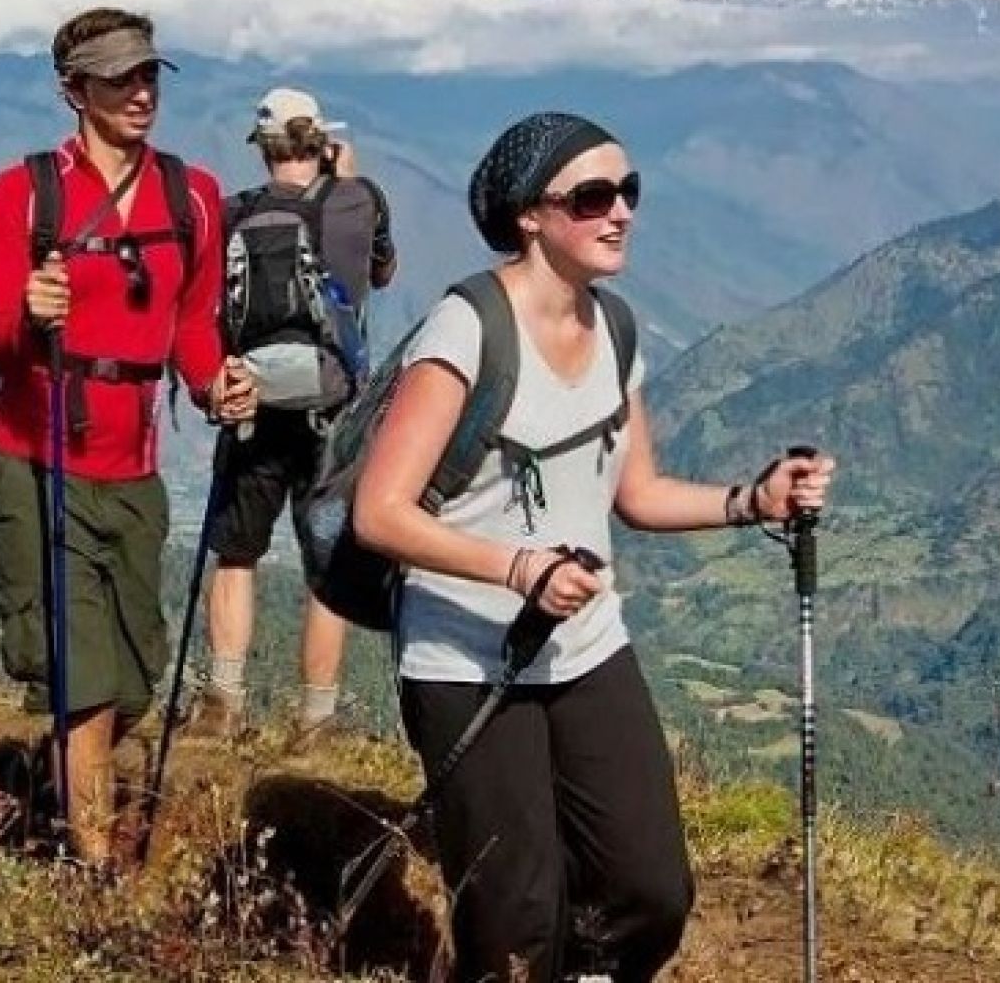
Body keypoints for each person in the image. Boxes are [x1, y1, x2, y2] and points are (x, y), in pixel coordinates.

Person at [351, 111, 836, 982]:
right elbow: (379, 514)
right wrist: (520, 568)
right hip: (466, 659)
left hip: (586, 648)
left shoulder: (614, 327)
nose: (622, 213)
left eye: (629, 192)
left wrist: (750, 500)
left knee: (650, 893)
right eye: (594, 196)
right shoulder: (465, 332)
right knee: (512, 920)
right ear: (530, 215)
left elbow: (638, 493)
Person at [0, 6, 257, 864]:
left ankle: (48, 792)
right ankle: (90, 867)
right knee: (82, 682)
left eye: (147, 75)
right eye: (118, 78)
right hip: (30, 455)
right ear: (73, 91)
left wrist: (216, 384)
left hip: (131, 465)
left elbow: (193, 326)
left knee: (134, 680)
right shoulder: (21, 193)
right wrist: (25, 314)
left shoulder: (194, 195)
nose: (139, 92)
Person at [189, 86, 397, 746]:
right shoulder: (358, 201)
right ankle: (316, 716)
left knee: (237, 553)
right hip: (332, 408)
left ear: (265, 149)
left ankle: (223, 701)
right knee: (327, 561)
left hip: (251, 401)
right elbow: (383, 273)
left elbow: (204, 304)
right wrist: (347, 173)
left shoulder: (230, 214)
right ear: (319, 140)